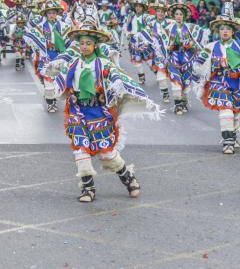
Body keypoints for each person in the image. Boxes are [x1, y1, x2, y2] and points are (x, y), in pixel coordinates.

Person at [44, 11, 160, 203]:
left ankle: (128, 178)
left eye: (88, 43)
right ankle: (88, 189)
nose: (84, 46)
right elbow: (61, 79)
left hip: (98, 111)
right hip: (78, 111)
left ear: (95, 45)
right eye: (81, 43)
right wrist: (53, 78)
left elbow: (118, 78)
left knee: (107, 153)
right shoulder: (73, 63)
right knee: (80, 150)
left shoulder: (104, 64)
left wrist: (114, 87)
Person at [193, 3, 240, 154]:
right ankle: (228, 142)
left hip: (237, 82)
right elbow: (197, 63)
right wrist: (205, 71)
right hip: (219, 81)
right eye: (222, 29)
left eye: (228, 29)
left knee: (235, 113)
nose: (225, 31)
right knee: (225, 112)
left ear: (233, 31)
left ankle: (233, 135)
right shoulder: (211, 46)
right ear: (218, 31)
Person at [154, 0, 208, 115]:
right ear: (174, 16)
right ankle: (177, 104)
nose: (179, 16)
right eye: (177, 14)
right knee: (176, 82)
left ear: (184, 16)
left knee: (186, 83)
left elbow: (199, 42)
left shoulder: (192, 28)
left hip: (187, 59)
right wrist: (168, 49)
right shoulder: (167, 28)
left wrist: (190, 46)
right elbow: (162, 43)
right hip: (174, 58)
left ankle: (183, 101)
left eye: (181, 14)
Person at [24, 0, 71, 113]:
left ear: (57, 13)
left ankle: (55, 97)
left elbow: (69, 41)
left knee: (59, 80)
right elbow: (31, 37)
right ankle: (51, 103)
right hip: (47, 55)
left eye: (54, 12)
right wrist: (38, 50)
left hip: (60, 56)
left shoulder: (64, 26)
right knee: (48, 82)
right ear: (45, 14)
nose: (52, 15)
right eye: (49, 13)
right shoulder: (40, 26)